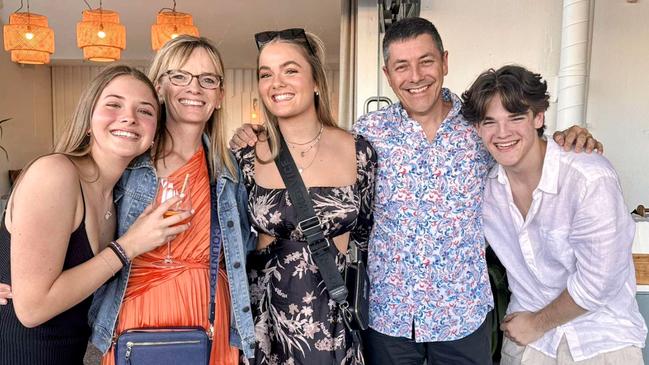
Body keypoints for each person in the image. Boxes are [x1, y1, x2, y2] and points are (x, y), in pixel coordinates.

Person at [230, 17, 602, 365]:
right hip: (386, 317)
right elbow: (317, 166)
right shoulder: (366, 134)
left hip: (463, 314)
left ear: (444, 62)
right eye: (401, 66)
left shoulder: (479, 129)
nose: (415, 77)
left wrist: (565, 136)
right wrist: (255, 137)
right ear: (387, 75)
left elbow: (521, 146)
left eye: (425, 62)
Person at [0, 65, 191, 365]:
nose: (129, 117)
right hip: (21, 352)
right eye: (113, 104)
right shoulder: (56, 173)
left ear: (154, 134)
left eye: (145, 111)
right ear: (88, 119)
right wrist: (129, 246)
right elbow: (32, 310)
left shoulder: (118, 197)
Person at [461, 64, 647, 364]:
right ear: (477, 129)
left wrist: (537, 323)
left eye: (515, 118)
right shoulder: (486, 189)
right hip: (526, 344)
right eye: (489, 122)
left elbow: (599, 283)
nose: (502, 133)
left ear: (538, 117)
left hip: (600, 340)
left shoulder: (588, 178)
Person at [88, 36, 256, 365]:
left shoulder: (230, 167)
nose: (194, 88)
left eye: (208, 80)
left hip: (210, 317)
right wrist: (10, 269)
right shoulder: (128, 158)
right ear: (160, 86)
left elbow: (251, 242)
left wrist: (264, 138)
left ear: (220, 96)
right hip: (137, 315)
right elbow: (71, 211)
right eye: (180, 76)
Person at [235, 29, 376, 365]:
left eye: (290, 70)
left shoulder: (360, 151)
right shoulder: (246, 154)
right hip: (266, 323)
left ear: (315, 81)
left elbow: (366, 236)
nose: (276, 82)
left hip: (333, 319)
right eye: (265, 74)